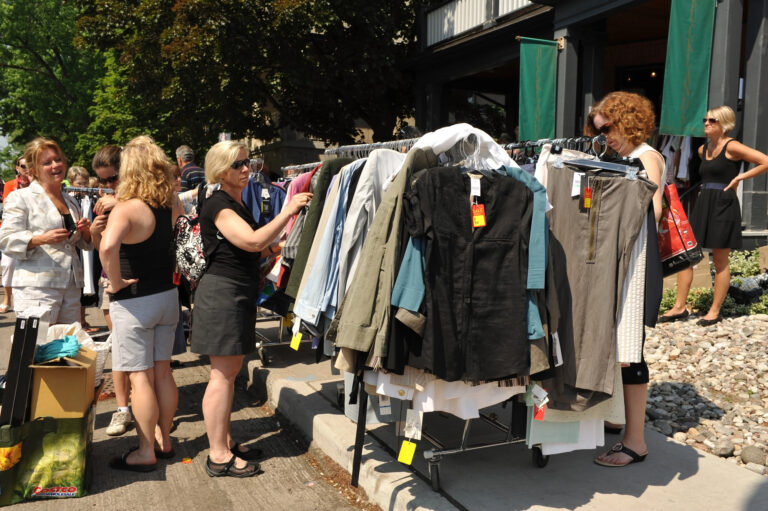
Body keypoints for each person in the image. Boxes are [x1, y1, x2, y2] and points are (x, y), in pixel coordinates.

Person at [190, 140, 311, 477]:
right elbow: (251, 241)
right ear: (219, 170)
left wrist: (276, 246)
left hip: (233, 293)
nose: (246, 169)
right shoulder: (219, 204)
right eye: (237, 165)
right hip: (223, 295)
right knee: (222, 376)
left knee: (227, 375)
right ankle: (218, 455)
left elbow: (251, 249)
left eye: (248, 162)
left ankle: (224, 441)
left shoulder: (233, 202)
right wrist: (288, 212)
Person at [584, 91, 665, 468]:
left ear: (628, 119)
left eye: (608, 127)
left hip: (635, 260)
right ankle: (619, 419)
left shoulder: (646, 156)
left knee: (631, 348)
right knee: (616, 343)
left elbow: (652, 210)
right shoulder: (618, 157)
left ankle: (636, 442)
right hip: (617, 259)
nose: (604, 136)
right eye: (599, 131)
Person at [101, 136, 183, 472]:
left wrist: (117, 282)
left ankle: (145, 449)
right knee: (162, 374)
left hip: (135, 302)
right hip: (167, 297)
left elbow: (107, 248)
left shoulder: (127, 208)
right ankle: (164, 439)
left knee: (139, 379)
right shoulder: (173, 204)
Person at [660, 105, 768, 326]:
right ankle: (679, 307)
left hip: (724, 203)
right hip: (704, 203)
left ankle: (715, 310)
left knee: (720, 260)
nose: (706, 123)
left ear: (725, 124)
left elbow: (765, 161)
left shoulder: (733, 146)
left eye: (712, 120)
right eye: (705, 120)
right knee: (688, 256)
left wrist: (740, 178)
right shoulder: (703, 150)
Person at [0, 138, 92, 324]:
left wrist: (87, 230)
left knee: (69, 348)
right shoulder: (20, 198)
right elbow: (6, 239)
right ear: (34, 170)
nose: (55, 165)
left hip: (71, 287)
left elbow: (82, 244)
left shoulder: (71, 200)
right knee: (35, 349)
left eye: (58, 159)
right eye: (47, 162)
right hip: (36, 288)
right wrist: (40, 239)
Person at [89, 144, 133, 437]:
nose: (107, 186)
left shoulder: (140, 196)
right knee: (120, 347)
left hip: (140, 280)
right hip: (112, 280)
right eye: (102, 181)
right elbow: (102, 249)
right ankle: (123, 409)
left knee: (147, 356)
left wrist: (119, 204)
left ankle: (144, 408)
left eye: (112, 178)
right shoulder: (107, 200)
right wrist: (94, 232)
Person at [67, 166, 99, 333]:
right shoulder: (69, 201)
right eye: (79, 183)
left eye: (85, 183)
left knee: (88, 279)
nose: (83, 186)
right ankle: (78, 320)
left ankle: (82, 319)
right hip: (75, 247)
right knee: (78, 282)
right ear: (71, 183)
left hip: (89, 246)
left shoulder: (91, 200)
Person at [0, 156, 32, 313]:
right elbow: (7, 205)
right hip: (13, 228)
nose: (26, 168)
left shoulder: (37, 184)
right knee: (7, 264)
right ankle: (7, 298)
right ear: (17, 167)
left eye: (29, 165)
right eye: (23, 165)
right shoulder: (10, 185)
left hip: (32, 228)